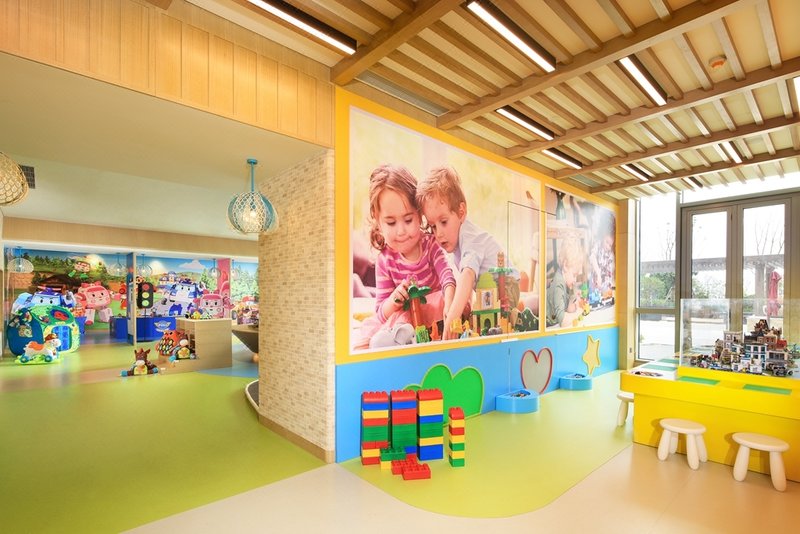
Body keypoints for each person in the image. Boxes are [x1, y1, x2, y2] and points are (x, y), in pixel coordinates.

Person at [355, 164, 456, 349]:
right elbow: (381, 312)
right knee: (374, 325)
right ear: (378, 221)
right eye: (391, 223)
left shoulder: (430, 245)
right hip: (406, 321)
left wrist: (451, 305)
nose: (401, 231)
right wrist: (394, 300)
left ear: (419, 214)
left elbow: (447, 277)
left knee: (450, 298)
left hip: (436, 315)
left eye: (408, 220)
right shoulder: (385, 260)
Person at [417, 166, 520, 340]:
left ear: (461, 212)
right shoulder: (457, 242)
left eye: (443, 222)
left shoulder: (470, 238)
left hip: (507, 286)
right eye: (433, 226)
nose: (438, 233)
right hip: (488, 291)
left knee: (498, 321)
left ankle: (519, 312)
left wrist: (453, 316)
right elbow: (468, 286)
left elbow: (468, 276)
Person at [546, 237, 584, 328]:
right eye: (574, 275)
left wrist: (573, 299)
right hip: (546, 321)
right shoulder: (559, 284)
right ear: (566, 265)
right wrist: (578, 313)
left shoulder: (566, 280)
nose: (575, 280)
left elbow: (568, 309)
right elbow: (562, 322)